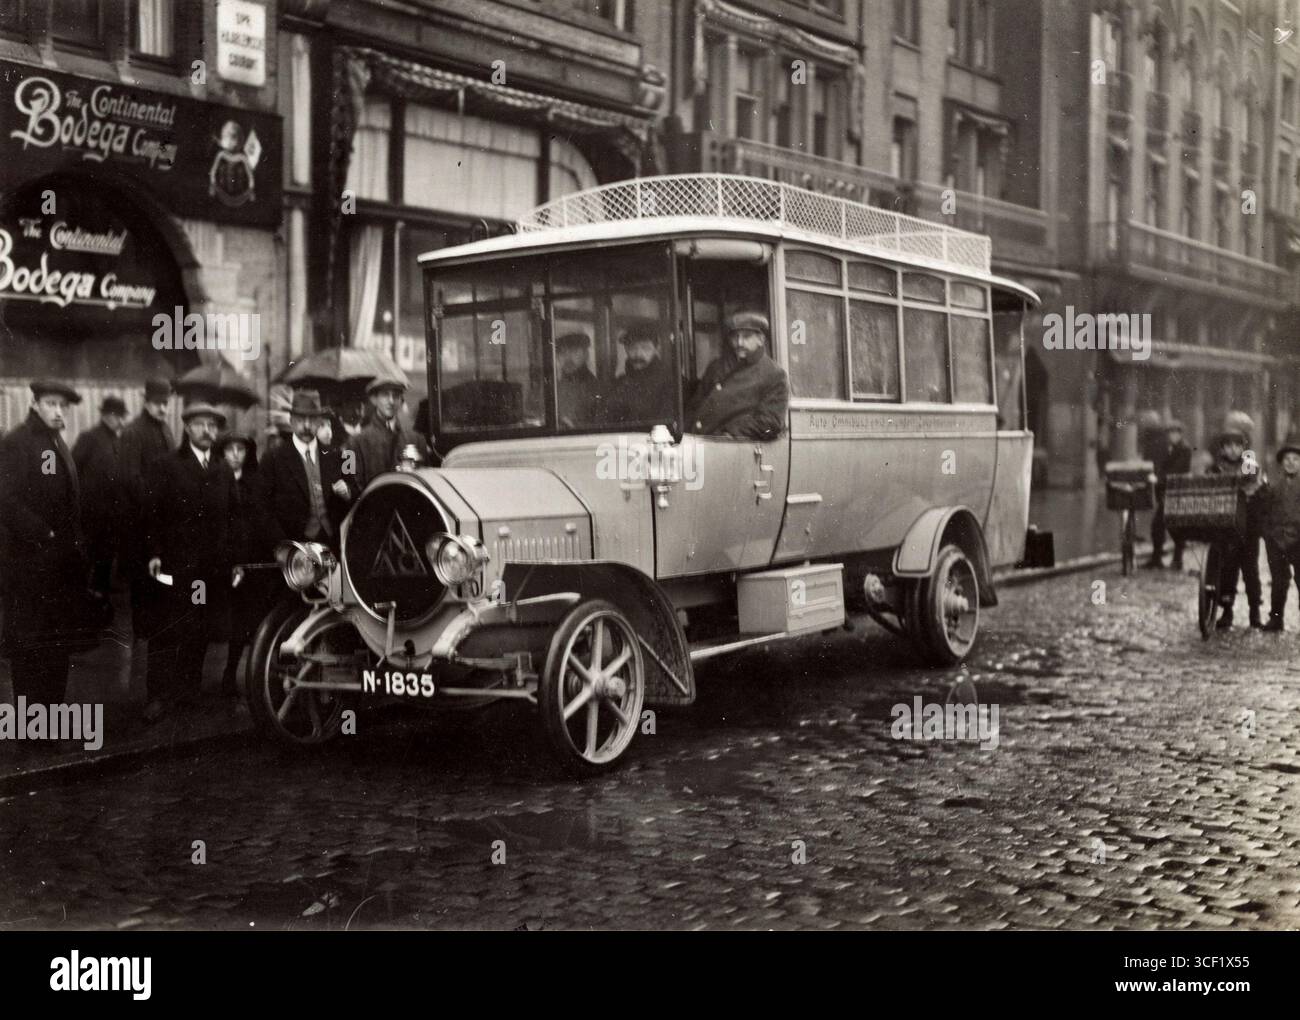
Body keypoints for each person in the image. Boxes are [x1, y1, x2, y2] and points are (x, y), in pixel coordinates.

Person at [142, 402, 237, 721]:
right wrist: (154, 552)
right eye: (200, 424)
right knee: (168, 629)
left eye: (213, 425)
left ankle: (188, 692)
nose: (207, 431)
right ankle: (157, 696)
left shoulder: (223, 469)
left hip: (210, 567)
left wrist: (234, 559)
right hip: (175, 563)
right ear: (186, 428)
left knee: (199, 629)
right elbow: (151, 513)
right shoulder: (166, 464)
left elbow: (236, 516)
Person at [0, 380, 88, 706]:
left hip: (58, 568)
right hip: (29, 568)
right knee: (30, 649)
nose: (58, 410)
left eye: (63, 406)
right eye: (51, 403)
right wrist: (43, 532)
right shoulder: (18, 443)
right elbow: (6, 500)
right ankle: (31, 733)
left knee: (55, 646)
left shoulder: (56, 442)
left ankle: (49, 725)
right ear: (35, 403)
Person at [215, 431, 277, 698]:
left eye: (240, 449)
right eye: (230, 449)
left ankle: (255, 674)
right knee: (229, 624)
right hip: (226, 562)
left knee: (253, 621)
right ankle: (228, 673)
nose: (236, 454)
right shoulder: (215, 481)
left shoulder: (257, 482)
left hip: (254, 562)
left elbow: (265, 521)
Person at [120, 378, 175, 643]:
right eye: (157, 403)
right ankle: (141, 638)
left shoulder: (165, 430)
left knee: (160, 579)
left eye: (165, 403)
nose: (163, 408)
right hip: (140, 520)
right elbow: (131, 478)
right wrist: (156, 501)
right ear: (146, 401)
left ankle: (156, 633)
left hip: (161, 520)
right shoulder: (133, 432)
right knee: (142, 582)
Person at [263, 390, 351, 546]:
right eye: (300, 419)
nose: (307, 426)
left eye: (312, 419)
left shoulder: (337, 456)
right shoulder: (273, 459)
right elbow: (264, 510)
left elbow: (353, 493)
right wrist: (284, 547)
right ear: (291, 421)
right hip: (294, 547)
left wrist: (347, 492)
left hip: (331, 544)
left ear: (320, 421)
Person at [689, 311, 790, 441]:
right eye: (735, 337)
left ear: (761, 339)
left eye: (746, 337)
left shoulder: (774, 375)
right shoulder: (716, 367)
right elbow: (696, 405)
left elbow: (769, 423)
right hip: (697, 441)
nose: (739, 342)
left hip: (732, 447)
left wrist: (728, 433)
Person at [1207, 411, 1265, 630]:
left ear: (1243, 448)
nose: (1232, 449)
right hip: (1226, 526)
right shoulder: (1216, 467)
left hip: (1248, 527)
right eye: (1228, 446)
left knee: (1250, 570)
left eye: (1237, 445)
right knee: (1228, 569)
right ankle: (1227, 611)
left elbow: (1250, 480)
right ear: (1222, 449)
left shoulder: (1249, 462)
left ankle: (1254, 611)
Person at [72, 395, 127, 597]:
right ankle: (84, 592)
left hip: (111, 510)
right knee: (90, 553)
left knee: (108, 550)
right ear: (107, 416)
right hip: (91, 509)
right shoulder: (89, 437)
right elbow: (73, 468)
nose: (122, 421)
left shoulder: (117, 440)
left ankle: (102, 587)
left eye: (123, 417)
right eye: (118, 417)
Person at [343, 373, 432, 494]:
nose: (391, 401)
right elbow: (349, 484)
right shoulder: (355, 442)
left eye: (396, 396)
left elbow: (426, 481)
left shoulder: (416, 439)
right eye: (385, 395)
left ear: (401, 401)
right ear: (374, 399)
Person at [1262, 431, 1300, 632]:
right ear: (1281, 463)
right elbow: (1265, 511)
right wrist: (1268, 534)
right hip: (1276, 540)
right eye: (1287, 459)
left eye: (1296, 459)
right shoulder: (1274, 486)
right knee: (1278, 582)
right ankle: (1276, 619)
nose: (1291, 463)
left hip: (1299, 541)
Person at [1144, 417, 1193, 571]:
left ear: (1180, 434)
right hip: (1167, 491)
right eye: (1170, 433)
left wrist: (1158, 478)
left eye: (1175, 433)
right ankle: (1159, 558)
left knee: (1167, 525)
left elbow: (1177, 470)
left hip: (1177, 491)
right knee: (1165, 525)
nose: (1172, 436)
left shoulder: (1184, 449)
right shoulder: (1169, 448)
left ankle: (1172, 559)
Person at [605, 322, 676, 426]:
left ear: (656, 349)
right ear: (626, 349)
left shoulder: (670, 383)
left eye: (645, 348)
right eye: (632, 348)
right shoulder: (618, 384)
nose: (638, 354)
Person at [556, 331, 599, 427]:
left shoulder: (594, 387)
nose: (568, 358)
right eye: (562, 352)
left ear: (586, 355)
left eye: (574, 351)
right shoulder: (554, 386)